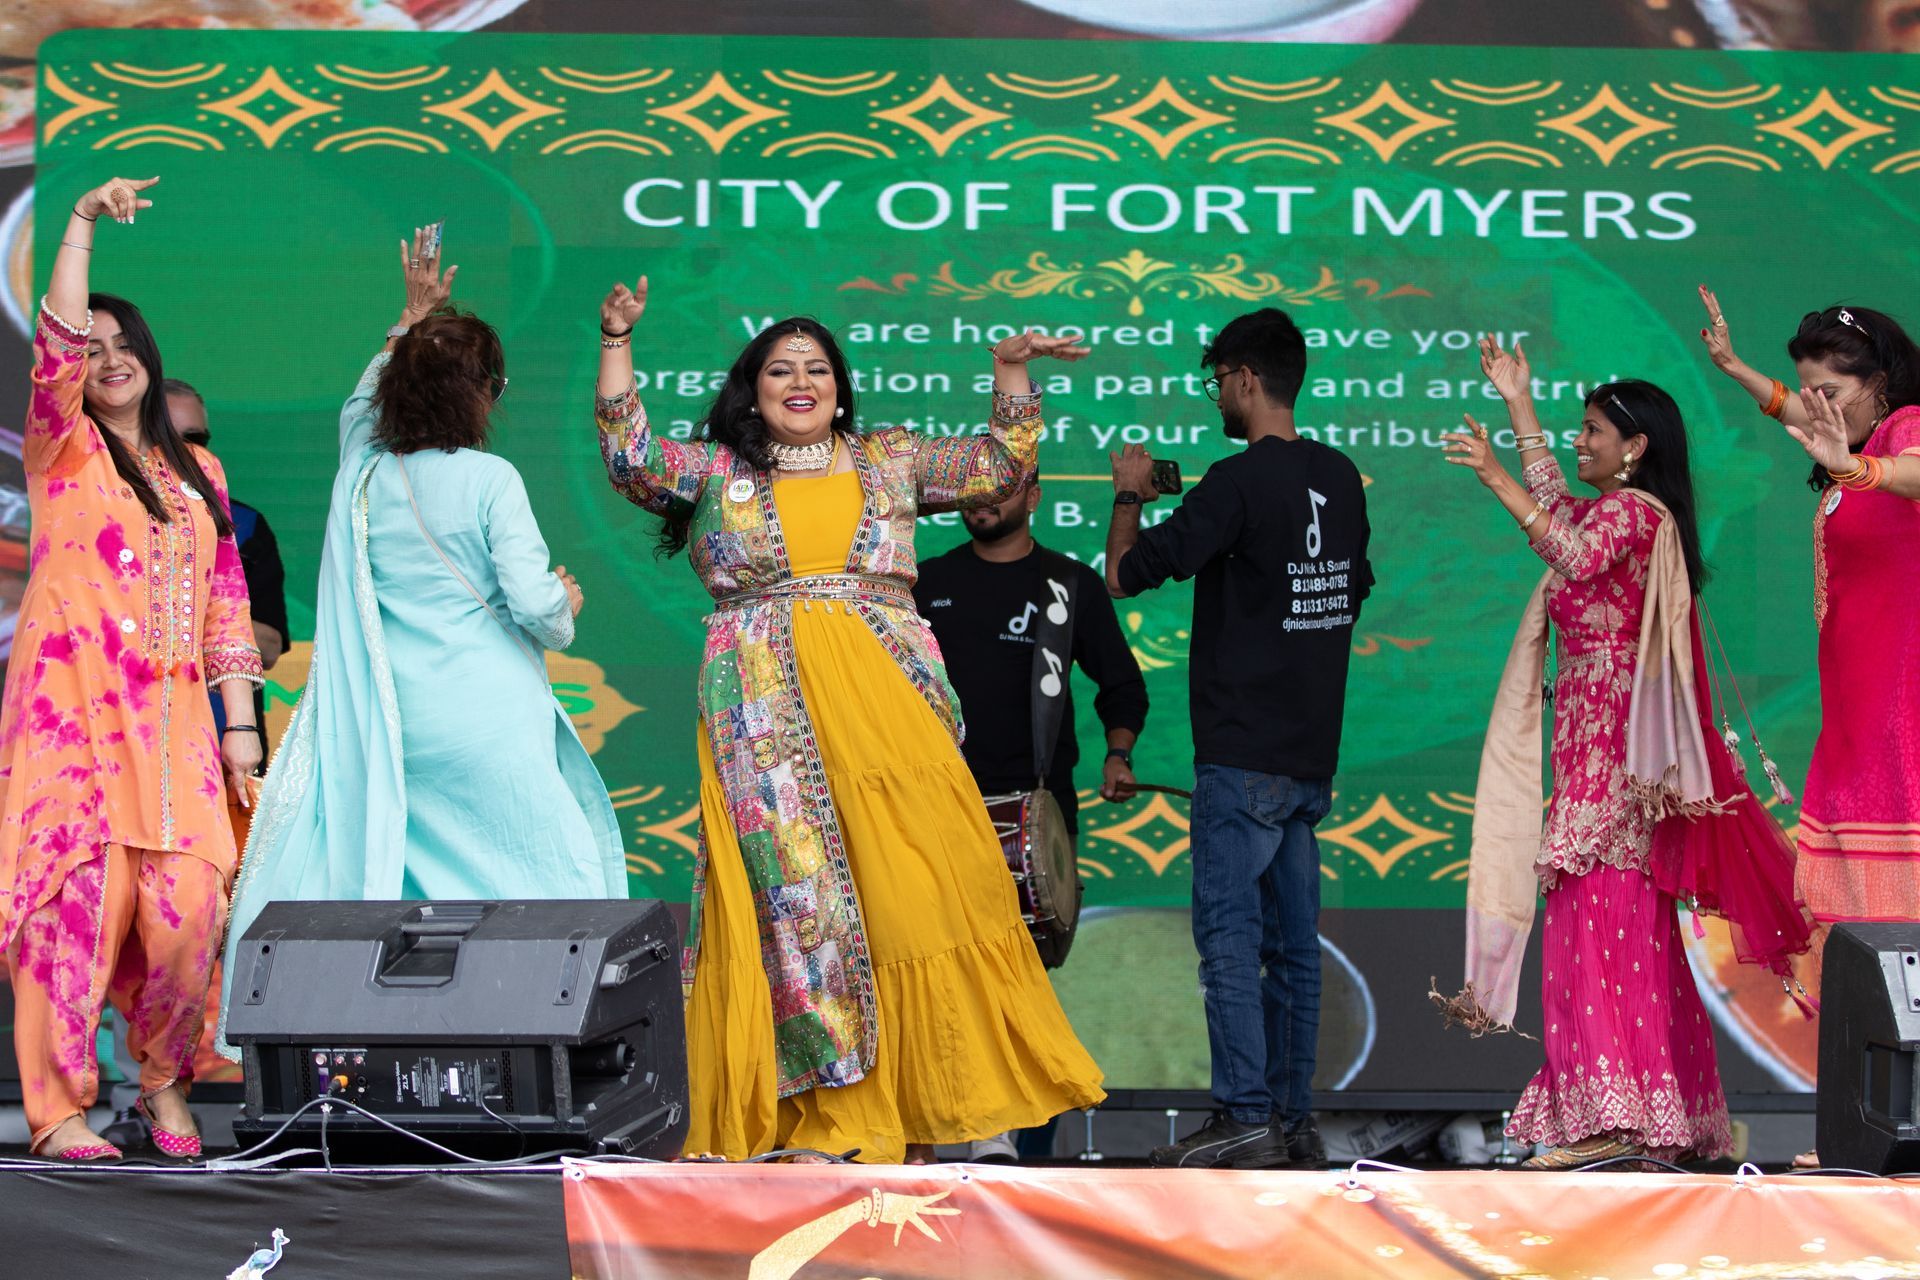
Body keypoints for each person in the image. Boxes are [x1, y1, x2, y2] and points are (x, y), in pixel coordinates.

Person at [595, 275, 1104, 1164]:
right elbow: (633, 459)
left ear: (840, 388)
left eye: (819, 369)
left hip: (886, 703)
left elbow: (999, 466)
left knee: (925, 889)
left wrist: (1011, 373)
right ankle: (823, 1118)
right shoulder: (719, 472)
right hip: (763, 709)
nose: (802, 381)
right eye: (781, 369)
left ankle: (958, 1101)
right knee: (799, 904)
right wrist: (615, 342)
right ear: (751, 389)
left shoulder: (889, 460)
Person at [219, 228, 627, 1035]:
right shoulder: (487, 477)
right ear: (484, 392)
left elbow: (355, 408)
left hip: (395, 724)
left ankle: (412, 1040)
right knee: (546, 876)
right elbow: (535, 606)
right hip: (486, 718)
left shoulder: (361, 471)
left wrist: (410, 322)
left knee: (411, 896)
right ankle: (541, 1035)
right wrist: (566, 601)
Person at [1438, 339, 1807, 1169]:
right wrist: (1520, 404)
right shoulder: (1614, 512)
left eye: (1594, 429)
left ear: (1635, 446)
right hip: (1592, 752)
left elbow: (1564, 547)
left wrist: (1495, 472)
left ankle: (1617, 1121)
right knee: (1608, 931)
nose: (1581, 440)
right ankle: (1639, 1121)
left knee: (1603, 932)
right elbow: (1560, 513)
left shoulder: (1637, 516)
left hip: (1615, 761)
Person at [0, 176, 263, 1160]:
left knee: (191, 909)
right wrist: (76, 226)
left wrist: (241, 726)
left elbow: (228, 606)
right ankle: (60, 1108)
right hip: (73, 719)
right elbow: (59, 339)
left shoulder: (200, 476)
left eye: (124, 346)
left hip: (179, 730)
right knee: (75, 908)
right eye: (92, 347)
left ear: (151, 364)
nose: (105, 358)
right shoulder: (61, 446)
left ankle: (162, 1079)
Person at [1106, 307, 1372, 1170]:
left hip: (1241, 755)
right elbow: (1349, 587)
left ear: (1247, 380)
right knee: (1292, 953)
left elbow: (1122, 575)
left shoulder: (1231, 483)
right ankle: (1292, 1124)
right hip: (1309, 756)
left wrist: (1130, 496)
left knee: (1227, 941)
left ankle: (1244, 1113)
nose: (1217, 395)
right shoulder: (1339, 476)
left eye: (1218, 380)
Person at [914, 470, 1149, 1160]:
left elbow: (1121, 683)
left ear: (1034, 497)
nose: (981, 500)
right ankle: (932, 1129)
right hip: (936, 803)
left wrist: (1117, 755)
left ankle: (1016, 1137)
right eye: (972, 490)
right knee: (937, 973)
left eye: (1000, 489)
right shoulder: (925, 583)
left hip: (1034, 805)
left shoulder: (1066, 584)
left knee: (1021, 974)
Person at [104, 376, 291, 1146]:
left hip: (219, 754)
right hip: (118, 758)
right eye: (174, 436)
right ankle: (129, 1097)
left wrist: (210, 628)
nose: (189, 452)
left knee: (211, 927)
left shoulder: (238, 524)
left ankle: (240, 1096)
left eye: (202, 439)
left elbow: (269, 642)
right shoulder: (100, 510)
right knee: (114, 934)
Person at [1697, 289, 1920, 929]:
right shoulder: (1857, 431)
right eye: (1809, 392)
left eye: (1830, 392)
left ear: (1878, 383)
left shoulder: (1903, 430)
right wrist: (1736, 368)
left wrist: (1855, 469)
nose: (1817, 406)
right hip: (1857, 696)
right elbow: (1800, 411)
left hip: (1900, 695)